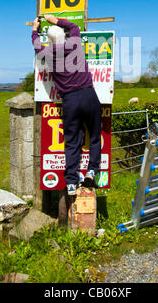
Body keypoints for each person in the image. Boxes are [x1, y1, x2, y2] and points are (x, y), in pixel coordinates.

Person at [31, 14, 102, 196]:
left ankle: (71, 182)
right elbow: (73, 26)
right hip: (88, 93)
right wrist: (54, 21)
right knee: (94, 135)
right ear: (64, 36)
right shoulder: (74, 44)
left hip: (69, 100)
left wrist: (34, 28)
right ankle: (92, 170)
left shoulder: (46, 53)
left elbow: (35, 42)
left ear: (50, 40)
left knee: (71, 142)